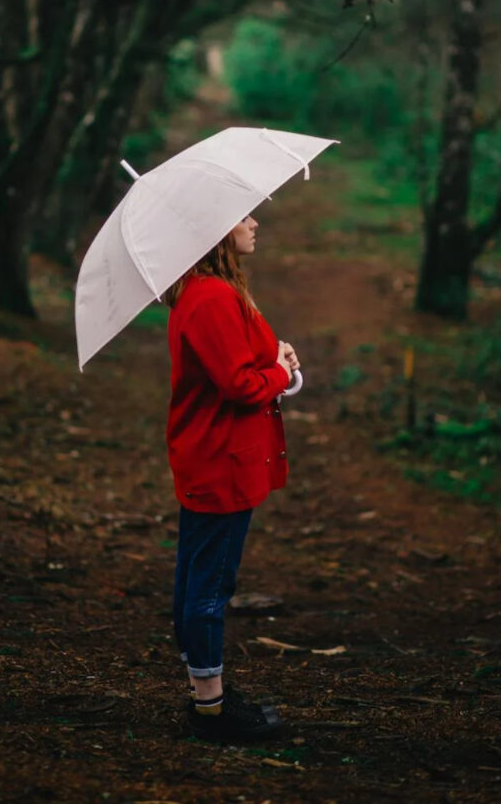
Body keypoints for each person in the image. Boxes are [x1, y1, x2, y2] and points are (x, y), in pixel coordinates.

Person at [163, 213, 300, 743]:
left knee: (198, 577)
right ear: (217, 231)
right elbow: (241, 384)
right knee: (210, 584)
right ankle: (210, 709)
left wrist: (279, 365)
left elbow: (246, 367)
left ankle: (206, 690)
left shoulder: (208, 292)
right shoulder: (212, 298)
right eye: (243, 215)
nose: (256, 221)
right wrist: (280, 375)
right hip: (220, 462)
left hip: (213, 457)